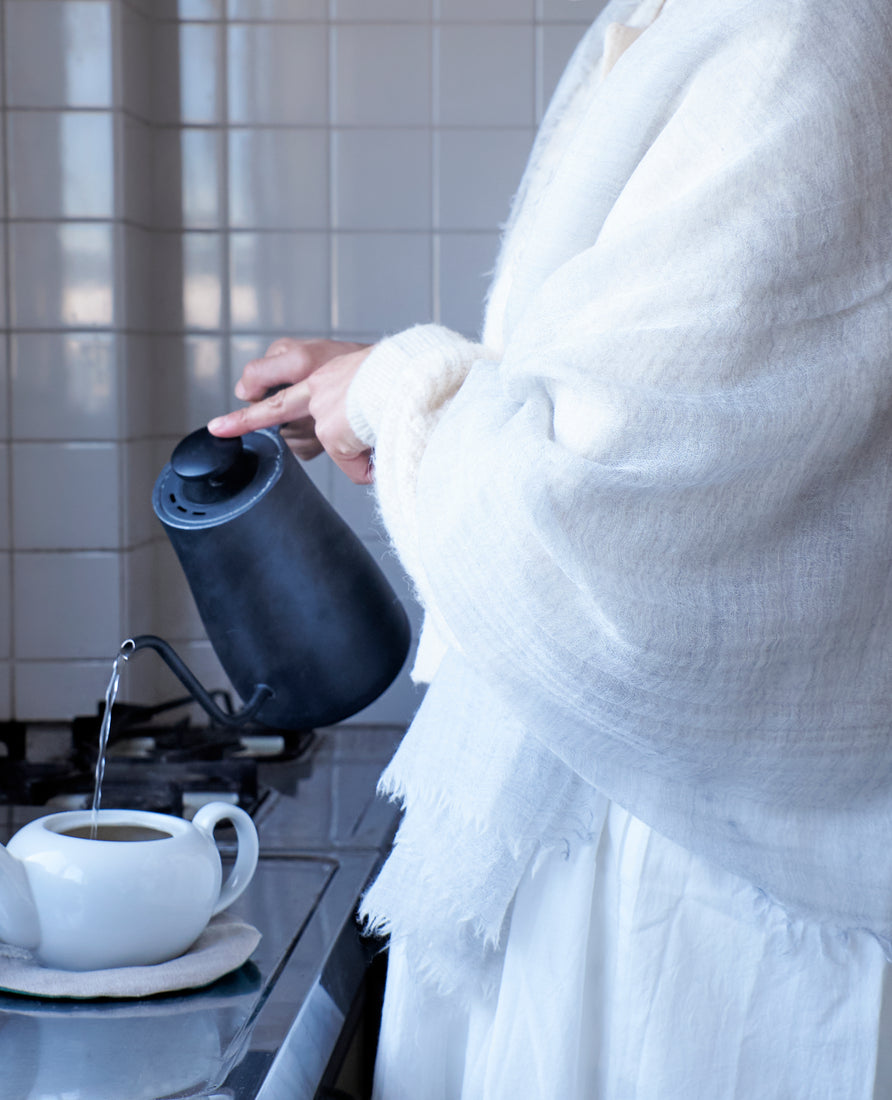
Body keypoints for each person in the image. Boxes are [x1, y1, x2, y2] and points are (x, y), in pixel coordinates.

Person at [208, 0, 892, 1095]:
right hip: (621, 830)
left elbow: (608, 519)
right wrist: (382, 383)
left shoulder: (792, 32)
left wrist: (396, 390)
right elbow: (654, 396)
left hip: (694, 894)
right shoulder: (667, 25)